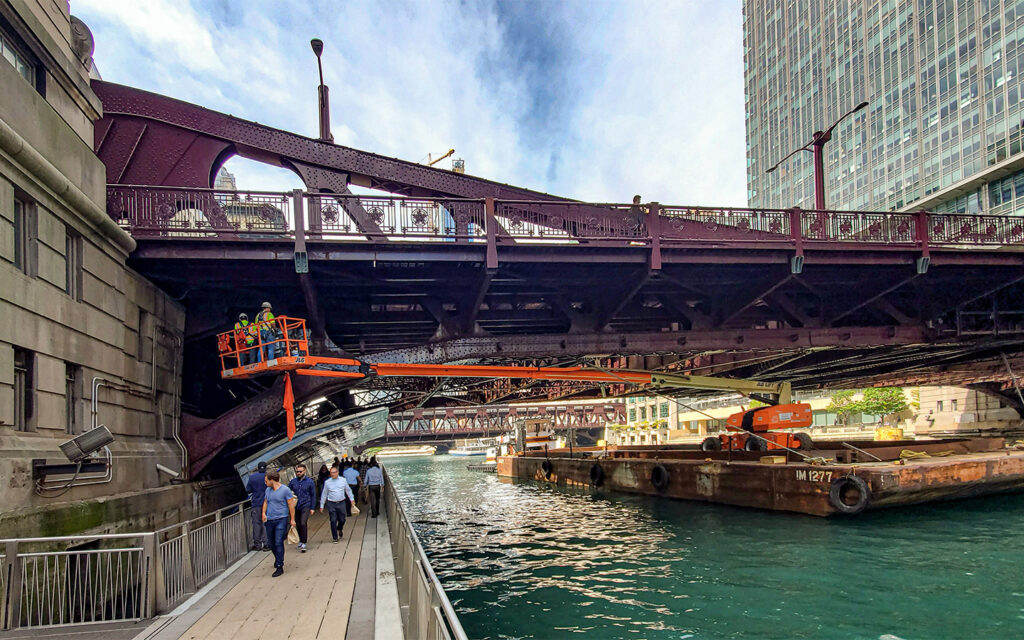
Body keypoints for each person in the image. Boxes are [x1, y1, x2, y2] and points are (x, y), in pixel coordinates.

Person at [262, 470, 296, 577]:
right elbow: (266, 502)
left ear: (272, 480)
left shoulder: (285, 490)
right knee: (271, 543)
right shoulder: (267, 490)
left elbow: (291, 505)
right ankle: (277, 557)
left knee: (278, 542)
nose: (265, 482)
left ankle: (280, 566)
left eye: (266, 480)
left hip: (281, 518)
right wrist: (263, 513)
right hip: (270, 519)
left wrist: (292, 519)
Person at [319, 466, 355, 542]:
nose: (333, 474)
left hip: (341, 502)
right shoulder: (327, 482)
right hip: (331, 503)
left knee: (342, 519)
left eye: (334, 472)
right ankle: (335, 537)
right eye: (331, 473)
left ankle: (340, 528)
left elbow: (348, 490)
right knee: (333, 520)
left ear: (337, 473)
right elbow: (324, 494)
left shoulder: (343, 480)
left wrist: (352, 499)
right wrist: (322, 505)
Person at [288, 464, 316, 552]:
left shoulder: (309, 482)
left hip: (306, 504)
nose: (298, 473)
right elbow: (287, 491)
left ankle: (304, 542)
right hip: (296, 506)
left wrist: (312, 507)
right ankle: (300, 540)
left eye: (300, 471)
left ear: (304, 471)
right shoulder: (293, 482)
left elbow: (313, 495)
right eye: (297, 471)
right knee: (298, 524)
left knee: (303, 523)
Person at [245, 461, 268, 551]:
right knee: (265, 524)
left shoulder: (252, 477)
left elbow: (248, 490)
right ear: (266, 467)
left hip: (256, 503)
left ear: (257, 468)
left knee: (256, 524)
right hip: (267, 504)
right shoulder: (268, 477)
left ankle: (257, 545)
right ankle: (266, 544)